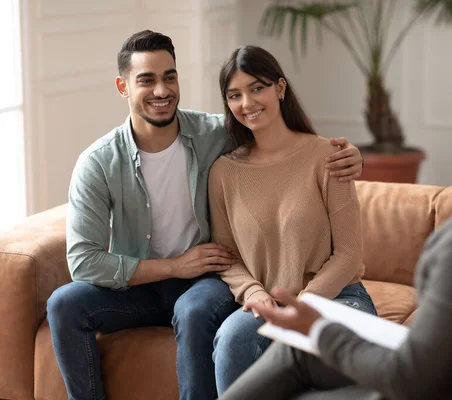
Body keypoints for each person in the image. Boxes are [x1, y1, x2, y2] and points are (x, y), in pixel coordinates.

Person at [219, 51, 452, 400]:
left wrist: (317, 328)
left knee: (299, 359)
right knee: (296, 359)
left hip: (437, 387)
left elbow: (408, 377)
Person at [45, 30, 364, 400]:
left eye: (169, 76)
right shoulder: (99, 163)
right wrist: (175, 266)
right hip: (141, 284)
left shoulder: (216, 133)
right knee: (63, 304)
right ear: (123, 86)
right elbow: (83, 262)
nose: (161, 91)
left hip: (203, 283)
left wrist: (352, 157)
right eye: (146, 80)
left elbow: (278, 144)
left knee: (195, 310)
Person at [207, 45, 378, 395]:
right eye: (234, 95)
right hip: (266, 305)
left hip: (338, 297)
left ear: (280, 89)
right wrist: (254, 292)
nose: (248, 103)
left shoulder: (328, 156)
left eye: (257, 88)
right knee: (230, 339)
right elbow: (226, 255)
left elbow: (348, 255)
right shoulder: (223, 172)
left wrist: (300, 305)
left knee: (308, 353)